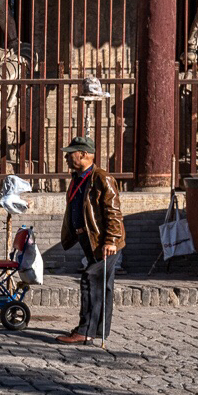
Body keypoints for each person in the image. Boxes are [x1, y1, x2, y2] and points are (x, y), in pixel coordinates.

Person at [55, 136, 124, 346]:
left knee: (90, 280)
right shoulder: (78, 177)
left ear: (84, 154)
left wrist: (111, 240)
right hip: (88, 239)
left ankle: (85, 331)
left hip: (104, 242)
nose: (67, 157)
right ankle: (99, 329)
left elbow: (113, 212)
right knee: (103, 285)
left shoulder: (102, 178)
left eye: (71, 153)